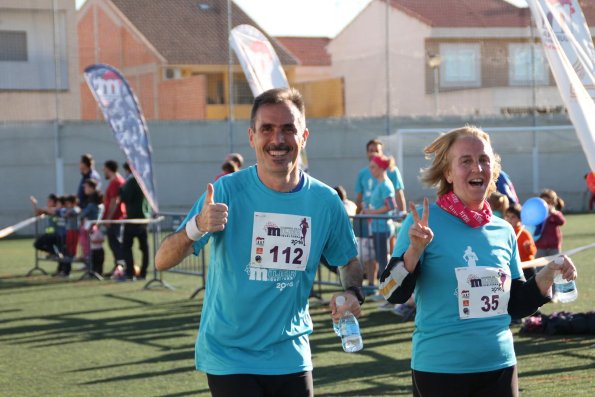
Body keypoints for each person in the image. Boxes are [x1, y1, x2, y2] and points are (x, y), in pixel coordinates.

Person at [155, 87, 364, 397]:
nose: (277, 140)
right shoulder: (226, 190)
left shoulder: (325, 201)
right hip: (230, 355)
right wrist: (197, 227)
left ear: (303, 137)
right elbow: (162, 260)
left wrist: (352, 292)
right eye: (267, 129)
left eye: (288, 129)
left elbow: (348, 261)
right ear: (252, 137)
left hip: (291, 353)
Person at [380, 126, 577, 397]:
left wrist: (547, 274)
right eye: (466, 161)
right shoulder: (424, 223)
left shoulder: (503, 230)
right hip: (440, 371)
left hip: (499, 367)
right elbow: (392, 292)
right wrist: (414, 251)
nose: (478, 168)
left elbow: (515, 304)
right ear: (448, 173)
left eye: (484, 159)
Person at [360, 154, 396, 297]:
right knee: (380, 259)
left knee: (383, 260)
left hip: (382, 228)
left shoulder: (386, 185)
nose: (371, 170)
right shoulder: (381, 184)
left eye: (373, 167)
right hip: (377, 227)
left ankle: (386, 291)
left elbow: (391, 206)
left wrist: (371, 211)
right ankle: (384, 290)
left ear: (381, 168)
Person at [119, 162, 151, 280]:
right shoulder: (145, 181)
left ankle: (130, 273)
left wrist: (121, 190)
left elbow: (125, 197)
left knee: (126, 246)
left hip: (133, 218)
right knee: (144, 247)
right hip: (144, 217)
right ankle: (143, 272)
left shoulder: (132, 181)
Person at [102, 160, 127, 275]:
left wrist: (109, 218)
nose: (103, 171)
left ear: (109, 169)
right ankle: (118, 266)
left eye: (104, 169)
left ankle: (120, 266)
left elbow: (114, 201)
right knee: (114, 243)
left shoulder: (116, 182)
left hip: (116, 218)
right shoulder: (116, 181)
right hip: (115, 218)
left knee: (116, 243)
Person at [77, 154, 102, 260]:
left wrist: (84, 213)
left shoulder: (93, 176)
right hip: (85, 210)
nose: (79, 165)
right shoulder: (84, 175)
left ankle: (90, 261)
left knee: (89, 239)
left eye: (80, 162)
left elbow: (94, 192)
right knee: (83, 238)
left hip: (89, 213)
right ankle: (87, 260)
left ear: (85, 164)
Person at [505, 203, 537, 279]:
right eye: (508, 216)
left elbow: (533, 251)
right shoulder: (505, 232)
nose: (509, 219)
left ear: (519, 219)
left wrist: (528, 247)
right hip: (513, 268)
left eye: (513, 217)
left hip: (527, 268)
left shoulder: (524, 233)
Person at [534, 189, 566, 259]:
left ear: (553, 202)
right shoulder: (539, 214)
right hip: (540, 246)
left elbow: (562, 222)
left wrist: (553, 213)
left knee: (556, 264)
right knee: (539, 266)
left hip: (553, 246)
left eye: (548, 203)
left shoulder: (555, 213)